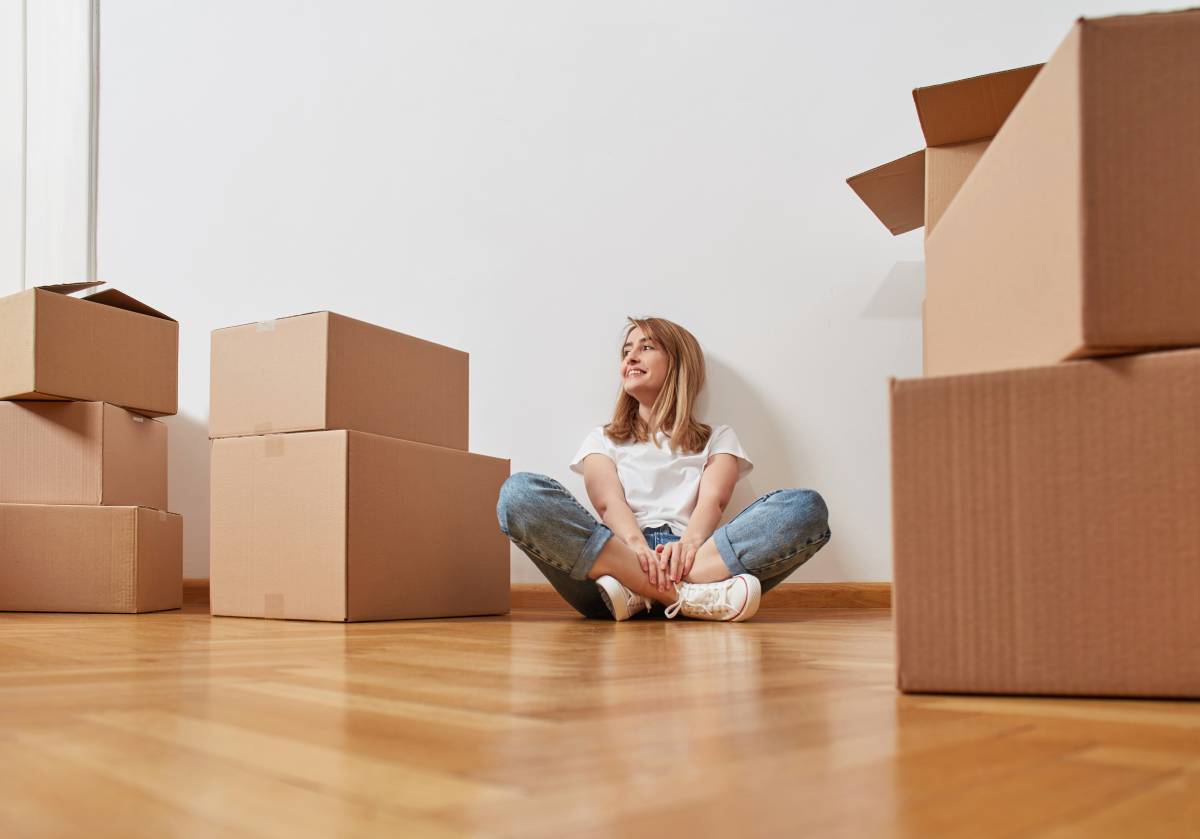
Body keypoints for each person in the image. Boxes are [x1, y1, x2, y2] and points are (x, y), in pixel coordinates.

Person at [496, 316, 830, 622]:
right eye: (626, 350)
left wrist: (687, 547)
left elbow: (713, 502)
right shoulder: (601, 439)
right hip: (614, 566)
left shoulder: (718, 437)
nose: (630, 356)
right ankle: (688, 596)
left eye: (646, 347)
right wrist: (636, 549)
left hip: (696, 557)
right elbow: (608, 504)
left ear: (678, 363)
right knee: (518, 494)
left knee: (806, 508)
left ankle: (646, 590)